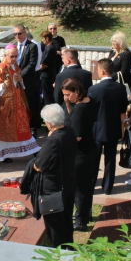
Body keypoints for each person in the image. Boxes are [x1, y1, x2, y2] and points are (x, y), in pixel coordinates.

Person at [34, 104, 77, 248]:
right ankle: (69, 250)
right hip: (68, 183)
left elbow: (39, 166)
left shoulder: (52, 141)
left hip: (54, 189)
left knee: (55, 228)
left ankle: (60, 255)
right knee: (66, 223)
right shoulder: (70, 132)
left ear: (49, 123)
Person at [0, 44, 40, 162]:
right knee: (4, 131)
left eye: (16, 56)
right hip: (5, 106)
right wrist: (3, 85)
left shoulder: (15, 65)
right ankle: (2, 155)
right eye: (12, 56)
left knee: (23, 128)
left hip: (17, 103)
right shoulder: (1, 68)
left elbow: (19, 83)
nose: (14, 59)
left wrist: (21, 80)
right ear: (5, 55)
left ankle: (34, 150)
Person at [88, 58, 128, 195]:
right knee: (110, 160)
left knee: (94, 160)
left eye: (98, 70)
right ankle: (108, 187)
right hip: (113, 128)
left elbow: (89, 111)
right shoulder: (121, 88)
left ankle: (91, 185)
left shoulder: (93, 89)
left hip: (96, 130)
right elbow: (123, 112)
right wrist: (123, 131)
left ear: (102, 71)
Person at [61, 78, 95, 231]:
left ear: (76, 91)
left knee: (79, 189)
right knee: (86, 186)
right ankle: (85, 214)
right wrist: (69, 104)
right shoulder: (89, 102)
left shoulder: (80, 109)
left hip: (79, 153)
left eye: (68, 95)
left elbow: (77, 136)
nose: (66, 98)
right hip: (89, 149)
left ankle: (80, 221)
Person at [15, 24, 40, 136]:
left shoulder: (32, 46)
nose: (17, 36)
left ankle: (33, 127)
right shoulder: (13, 47)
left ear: (25, 33)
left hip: (27, 81)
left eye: (19, 33)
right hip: (16, 81)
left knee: (30, 104)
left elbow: (31, 64)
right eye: (15, 34)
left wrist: (21, 75)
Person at [39, 31, 57, 106]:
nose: (42, 40)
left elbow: (44, 65)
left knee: (47, 95)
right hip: (47, 74)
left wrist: (36, 69)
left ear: (47, 38)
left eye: (43, 38)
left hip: (47, 75)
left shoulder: (50, 49)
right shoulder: (48, 48)